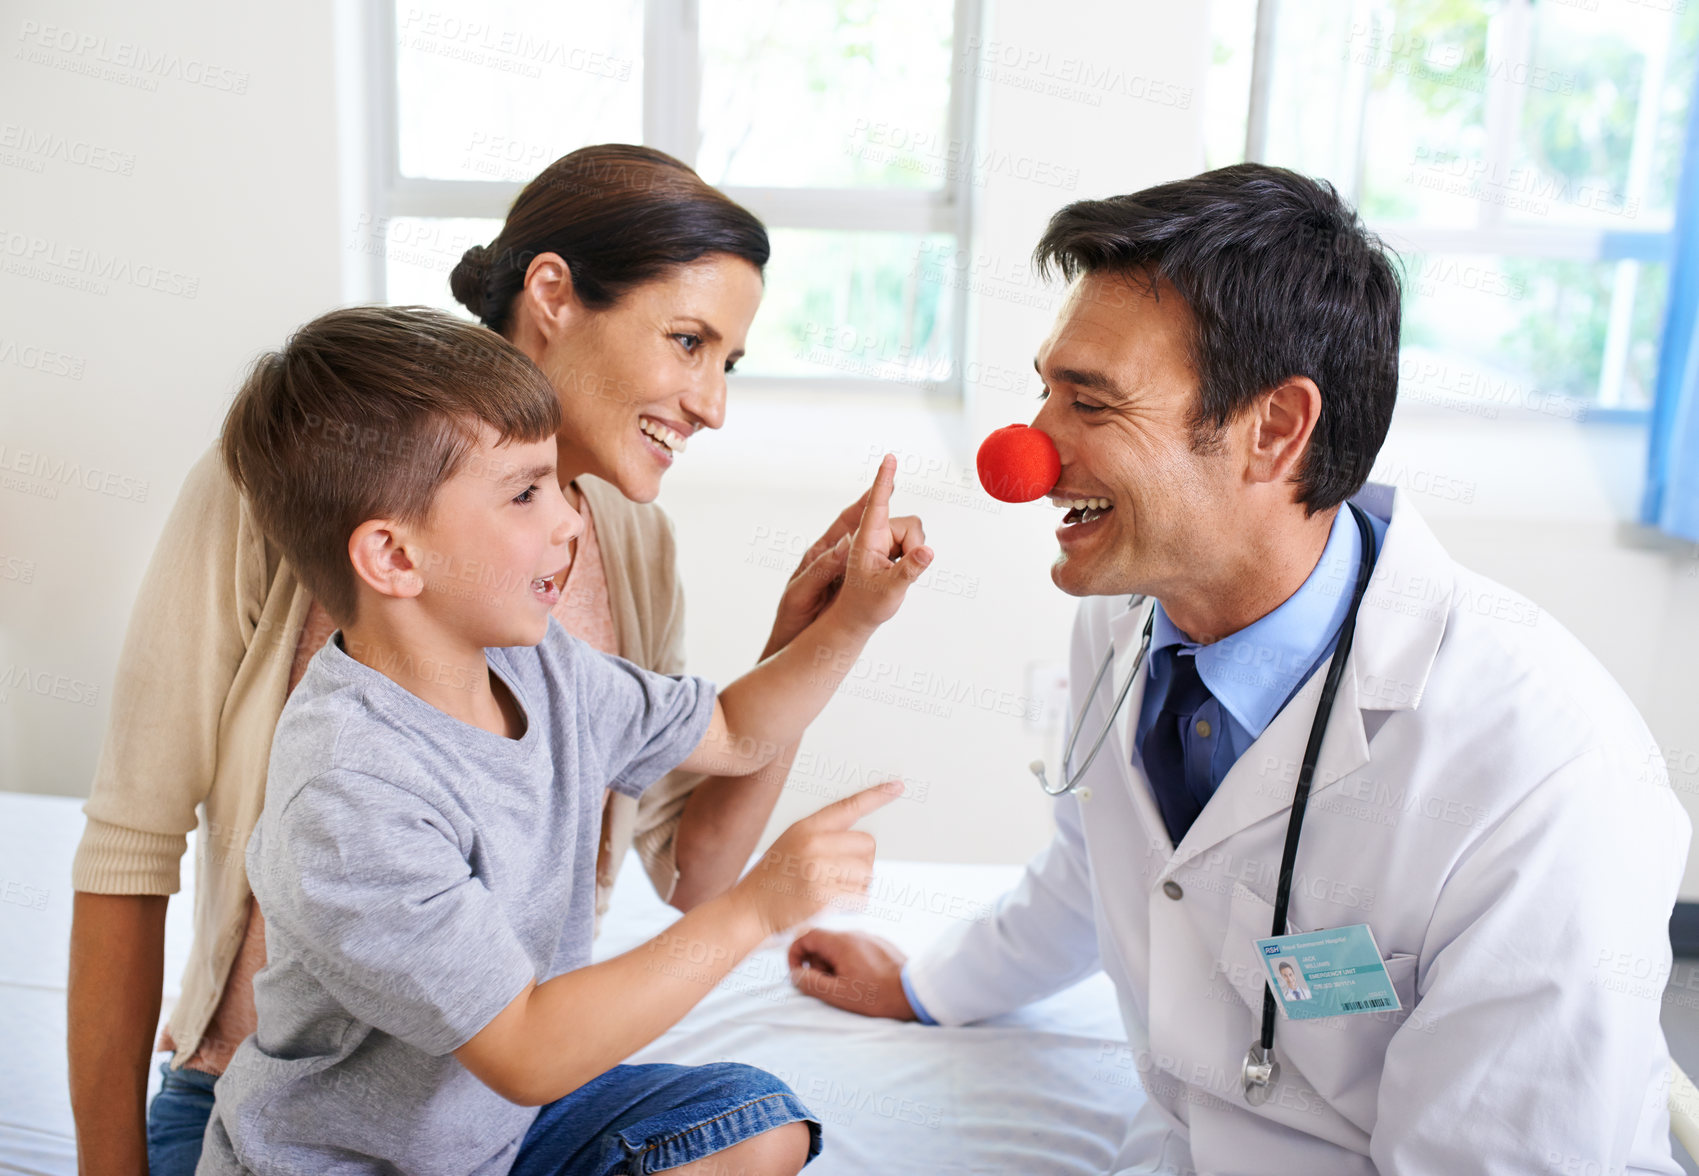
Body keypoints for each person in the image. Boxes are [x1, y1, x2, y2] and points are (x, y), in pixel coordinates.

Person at [788, 164, 1690, 1173]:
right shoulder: (1129, 624)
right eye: (1044, 390)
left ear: (1273, 429)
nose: (1028, 451)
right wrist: (927, 988)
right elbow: (1095, 876)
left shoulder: (1541, 774)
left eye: (1088, 403)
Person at [67, 144, 915, 1175]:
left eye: (725, 363)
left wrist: (830, 626)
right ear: (553, 295)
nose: (711, 404)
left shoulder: (594, 581)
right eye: (688, 342)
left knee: (753, 1118)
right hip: (301, 1112)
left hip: (495, 1105)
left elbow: (702, 836)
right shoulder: (292, 486)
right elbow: (130, 850)